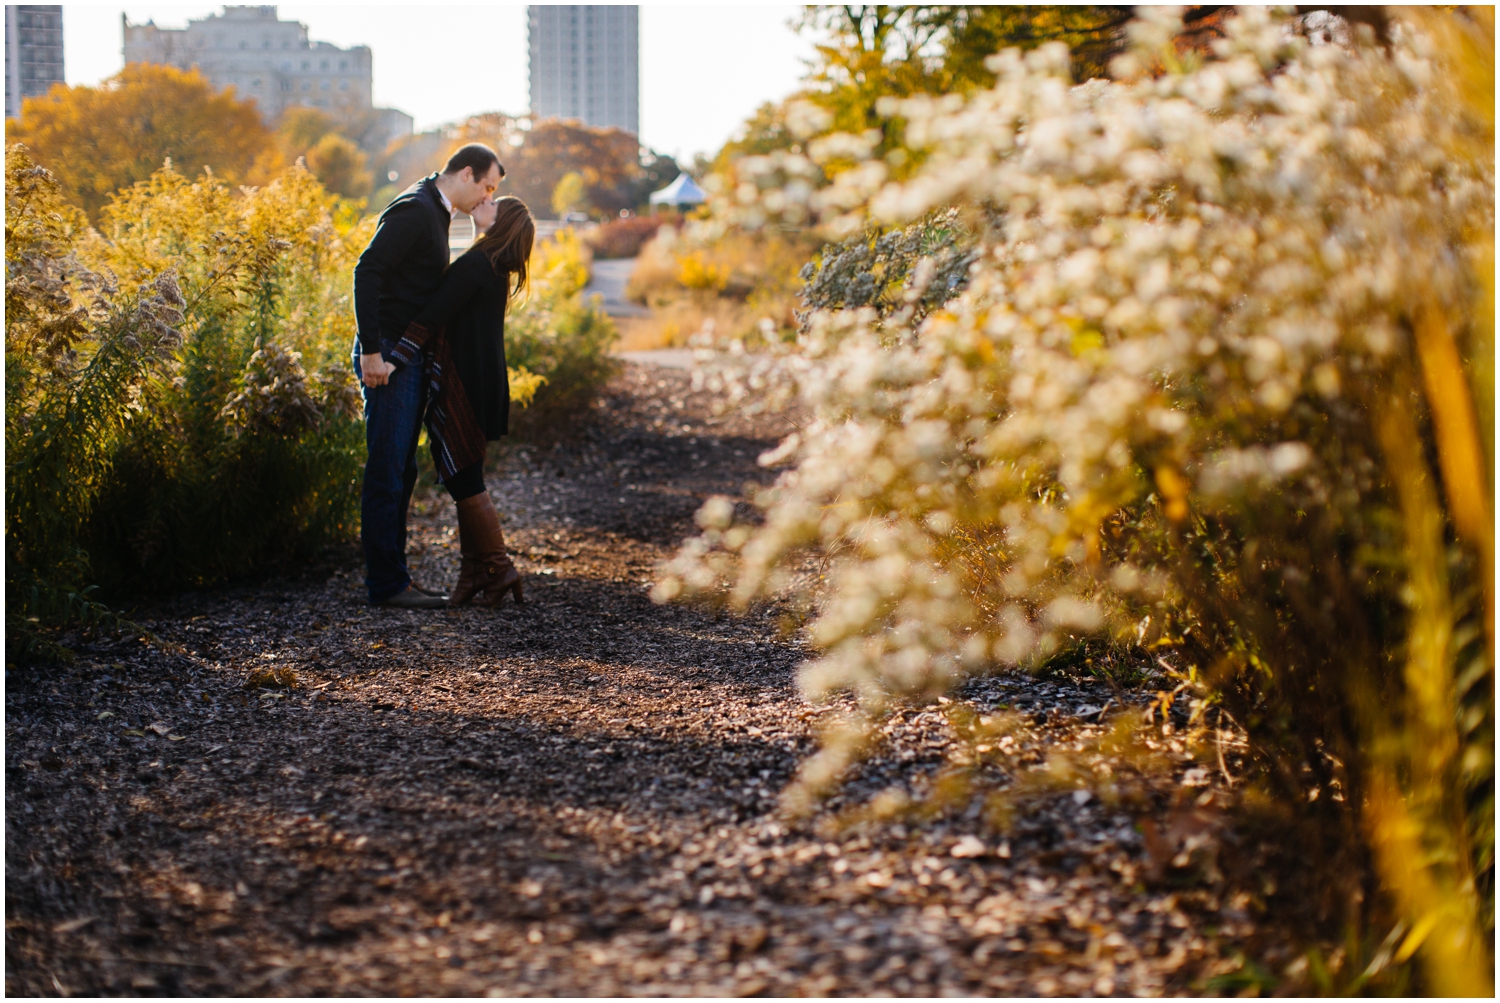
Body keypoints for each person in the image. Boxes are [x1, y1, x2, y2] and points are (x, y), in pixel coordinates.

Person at [352, 144, 502, 609]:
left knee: (402, 468)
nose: (488, 197)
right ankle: (387, 586)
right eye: (488, 187)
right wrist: (373, 352)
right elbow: (367, 270)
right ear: (466, 173)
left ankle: (393, 579)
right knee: (387, 469)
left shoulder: (439, 213)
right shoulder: (417, 211)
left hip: (403, 355)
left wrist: (484, 230)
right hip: (390, 356)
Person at [387, 196, 535, 607]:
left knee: (463, 480)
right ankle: (475, 574)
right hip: (481, 383)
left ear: (499, 221)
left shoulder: (476, 264)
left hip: (465, 384)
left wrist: (393, 359)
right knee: (464, 476)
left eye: (494, 202)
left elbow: (432, 315)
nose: (486, 200)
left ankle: (499, 567)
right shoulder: (492, 266)